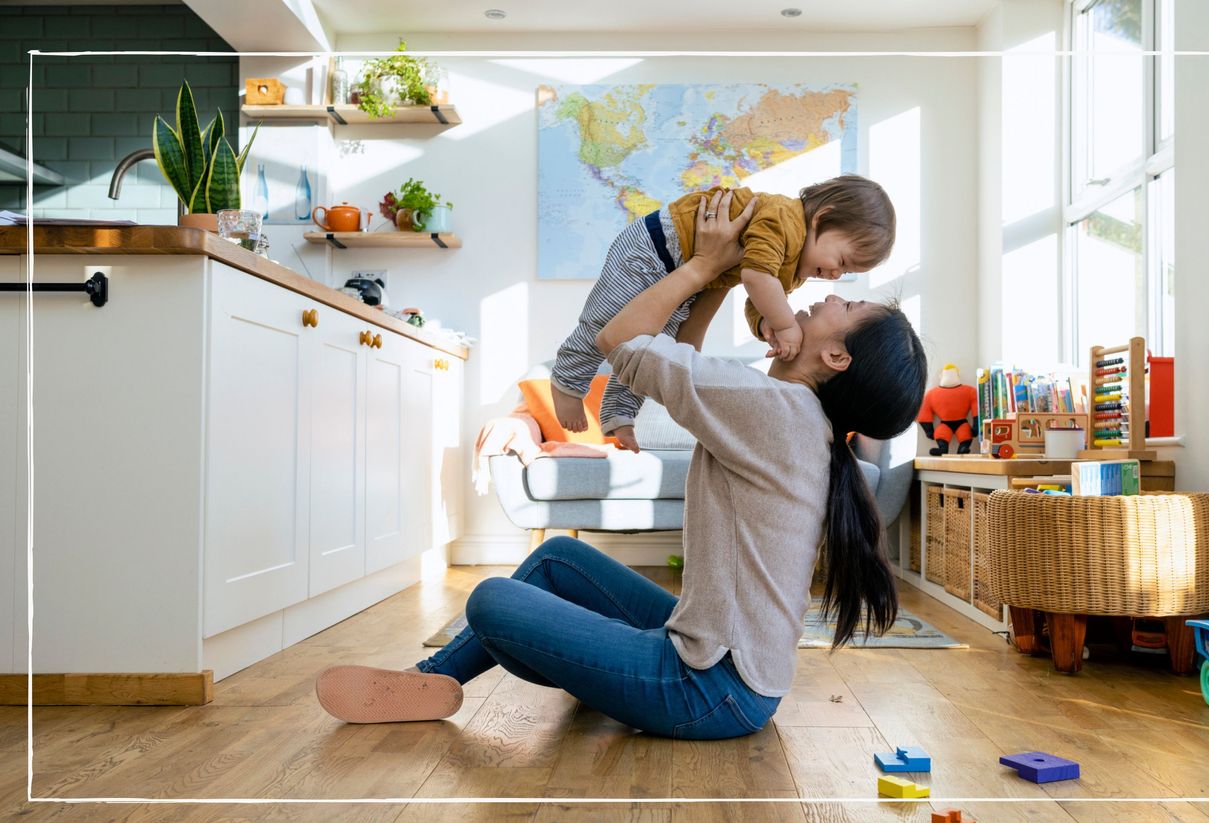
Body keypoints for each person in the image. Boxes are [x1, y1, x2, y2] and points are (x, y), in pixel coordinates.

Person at [315, 190, 927, 740]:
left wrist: (703, 264)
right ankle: (432, 683)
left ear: (835, 356)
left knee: (491, 601)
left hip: (707, 689)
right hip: (724, 667)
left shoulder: (773, 408)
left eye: (845, 304)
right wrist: (717, 279)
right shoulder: (789, 414)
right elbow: (677, 360)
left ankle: (545, 667)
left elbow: (620, 339)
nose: (827, 294)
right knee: (558, 559)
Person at [548, 175, 897, 452]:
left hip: (689, 270)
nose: (836, 280)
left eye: (847, 274)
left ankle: (618, 410)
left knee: (654, 342)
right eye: (842, 261)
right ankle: (567, 378)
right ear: (822, 219)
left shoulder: (792, 270)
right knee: (603, 318)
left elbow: (755, 294)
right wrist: (783, 323)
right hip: (656, 247)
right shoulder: (785, 220)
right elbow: (755, 277)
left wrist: (765, 323)